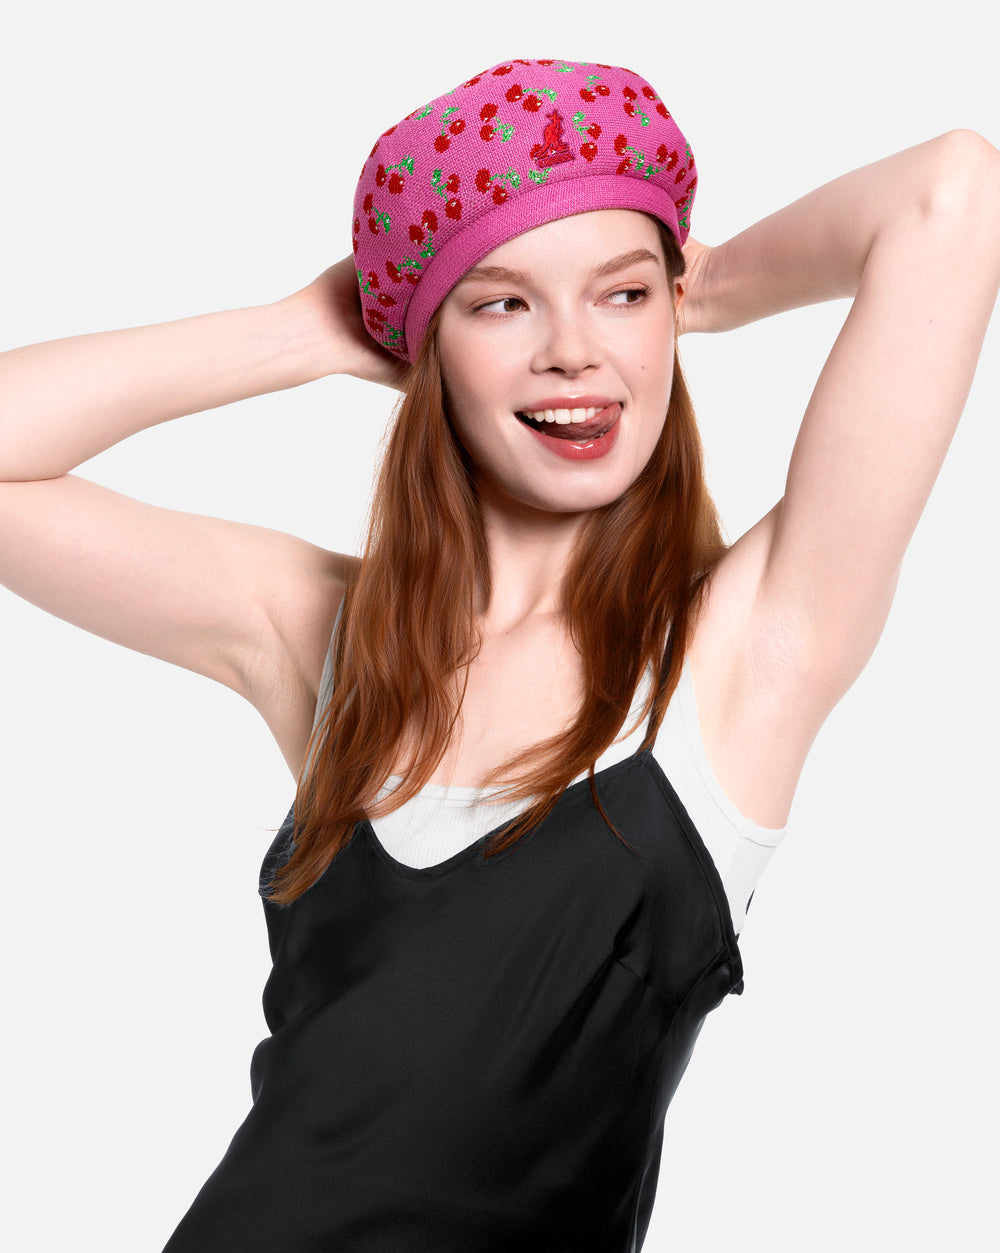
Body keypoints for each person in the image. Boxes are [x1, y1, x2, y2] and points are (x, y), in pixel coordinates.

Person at [1, 55, 997, 1251]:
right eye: (503, 302)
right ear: (429, 352)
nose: (573, 351)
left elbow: (954, 196)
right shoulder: (328, 638)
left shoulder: (742, 655)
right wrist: (302, 332)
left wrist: (702, 276)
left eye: (621, 296)